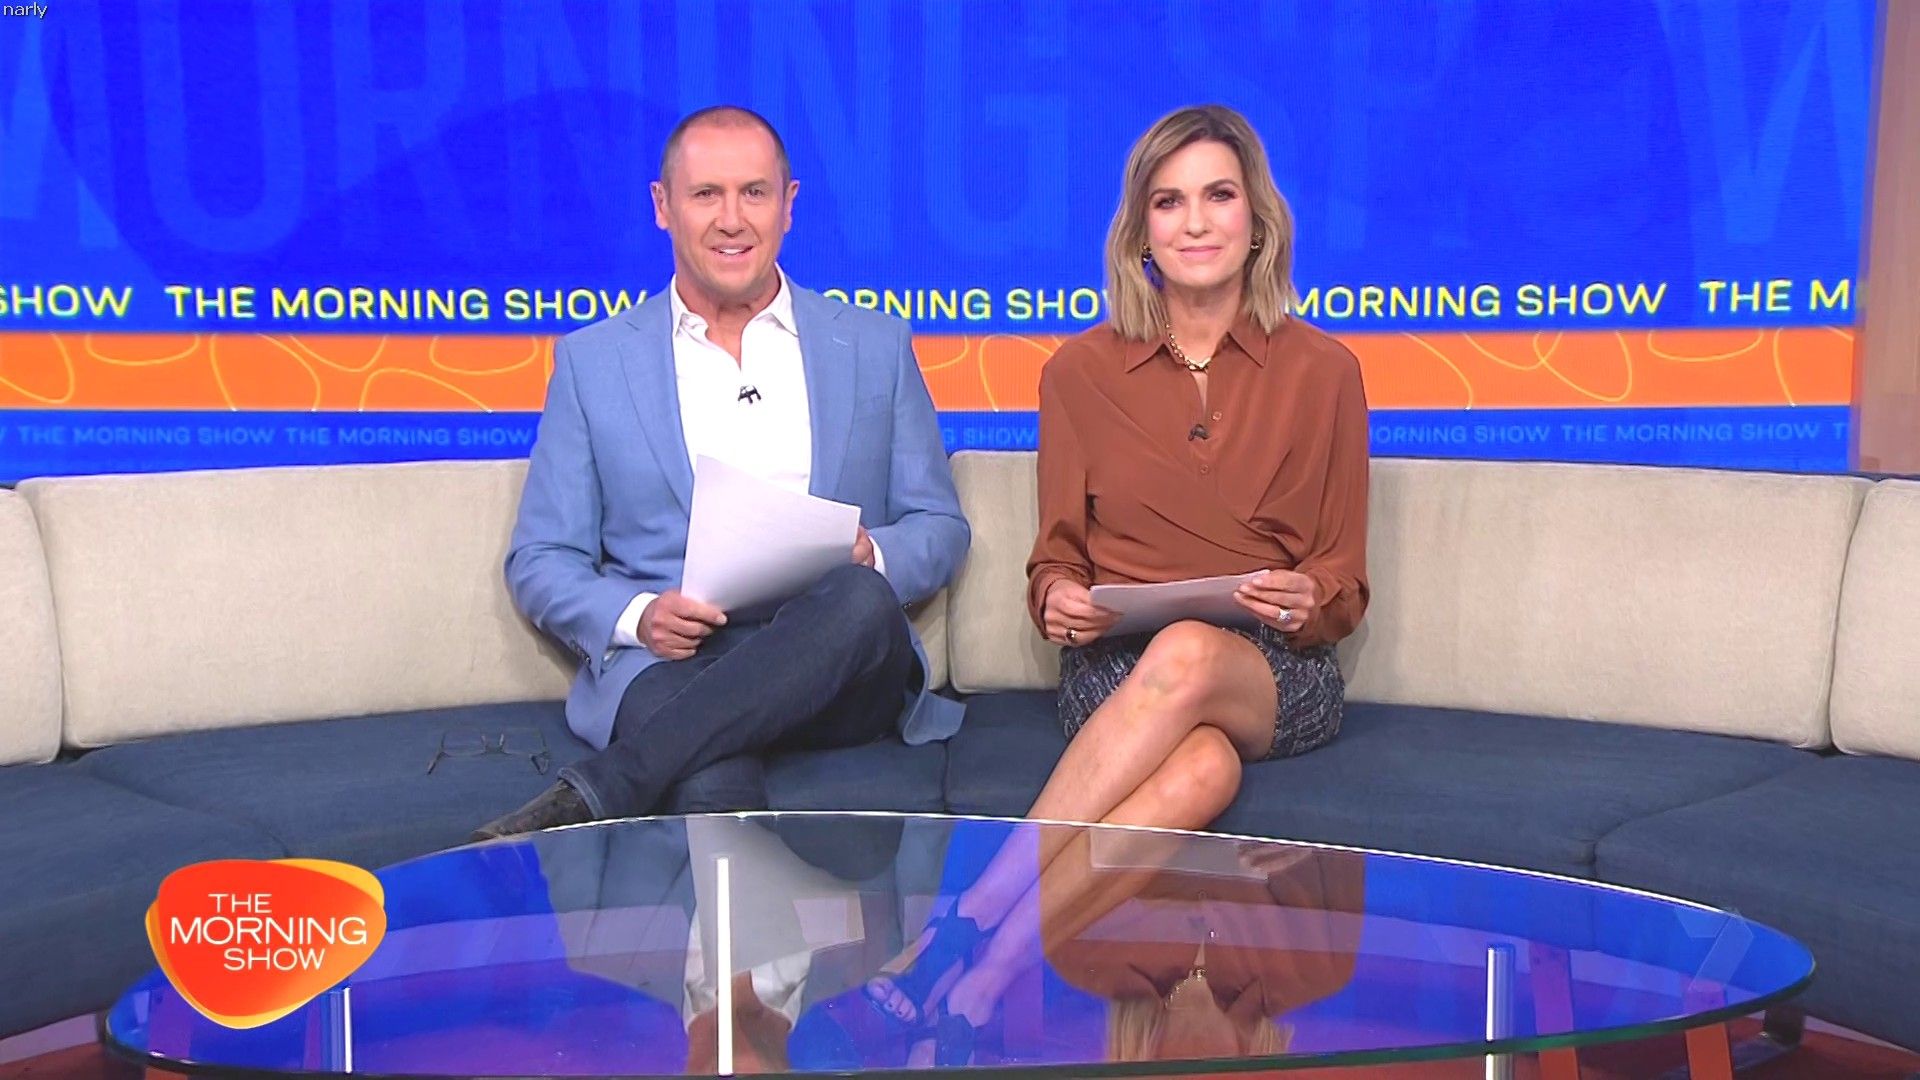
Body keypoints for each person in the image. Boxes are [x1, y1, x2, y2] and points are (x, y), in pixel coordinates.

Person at [861, 103, 1370, 1053]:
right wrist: (1057, 598)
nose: (1196, 221)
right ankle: (978, 993)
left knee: (1190, 654)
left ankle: (965, 919)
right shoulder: (1078, 374)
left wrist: (1312, 599)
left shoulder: (1326, 371)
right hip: (1118, 673)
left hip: (1275, 672)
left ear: (1258, 219)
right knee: (1203, 767)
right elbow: (1057, 554)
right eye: (1169, 202)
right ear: (1140, 231)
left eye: (1219, 196)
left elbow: (1343, 574)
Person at [474, 106, 969, 839]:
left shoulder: (874, 345)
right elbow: (542, 557)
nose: (732, 220)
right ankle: (752, 916)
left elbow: (940, 526)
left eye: (754, 193)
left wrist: (874, 555)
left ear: (789, 205)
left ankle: (606, 785)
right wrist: (640, 615)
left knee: (860, 598)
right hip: (676, 662)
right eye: (707, 194)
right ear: (663, 206)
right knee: (707, 767)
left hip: (839, 659)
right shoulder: (594, 363)